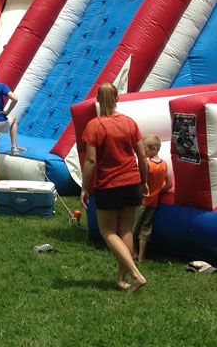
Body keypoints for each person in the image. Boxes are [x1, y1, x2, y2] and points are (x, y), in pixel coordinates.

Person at [80, 82, 148, 293]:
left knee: (107, 231)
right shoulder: (129, 123)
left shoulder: (95, 126)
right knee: (125, 230)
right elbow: (142, 155)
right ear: (117, 98)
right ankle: (122, 279)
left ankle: (135, 275)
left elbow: (91, 161)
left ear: (98, 100)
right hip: (132, 181)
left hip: (109, 184)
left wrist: (84, 187)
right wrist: (143, 181)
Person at [132, 135, 172, 262]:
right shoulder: (164, 164)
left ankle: (133, 252)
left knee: (133, 226)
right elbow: (169, 184)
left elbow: (139, 182)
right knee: (145, 228)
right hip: (153, 202)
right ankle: (142, 256)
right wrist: (158, 192)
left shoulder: (147, 164)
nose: (143, 153)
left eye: (144, 149)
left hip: (141, 201)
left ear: (153, 149)